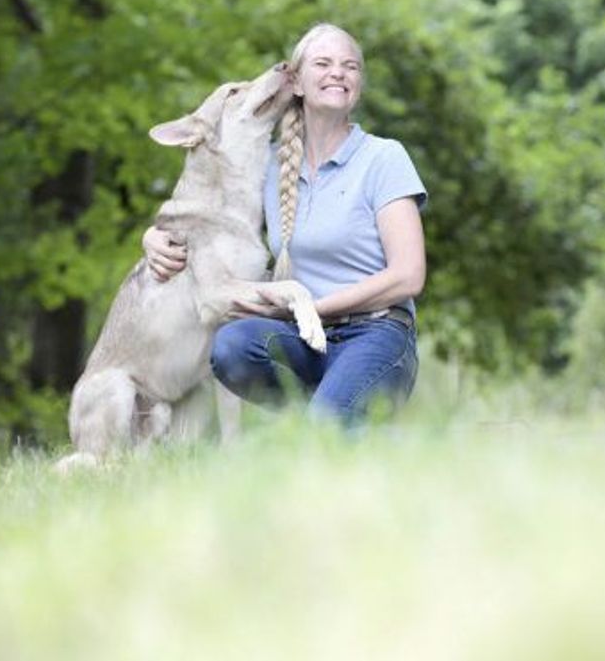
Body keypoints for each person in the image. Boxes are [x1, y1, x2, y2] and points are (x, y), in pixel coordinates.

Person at [143, 23, 427, 425]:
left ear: (358, 85)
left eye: (350, 66)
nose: (338, 73)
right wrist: (153, 236)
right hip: (303, 340)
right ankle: (332, 412)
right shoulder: (267, 166)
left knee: (324, 435)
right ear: (295, 81)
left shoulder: (383, 158)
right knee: (232, 346)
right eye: (323, 63)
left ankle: (336, 416)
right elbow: (207, 214)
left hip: (377, 333)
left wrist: (314, 308)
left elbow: (408, 277)